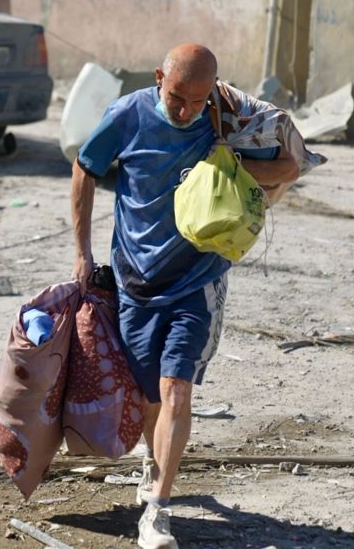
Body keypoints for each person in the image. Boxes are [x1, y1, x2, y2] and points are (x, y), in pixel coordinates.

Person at [69, 43, 300, 549]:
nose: (186, 110)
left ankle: (158, 508)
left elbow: (289, 168)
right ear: (158, 78)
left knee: (176, 388)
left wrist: (229, 168)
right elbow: (86, 168)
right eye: (177, 97)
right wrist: (83, 252)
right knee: (149, 391)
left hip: (198, 279)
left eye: (198, 100)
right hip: (136, 280)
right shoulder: (127, 115)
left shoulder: (225, 118)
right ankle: (152, 464)